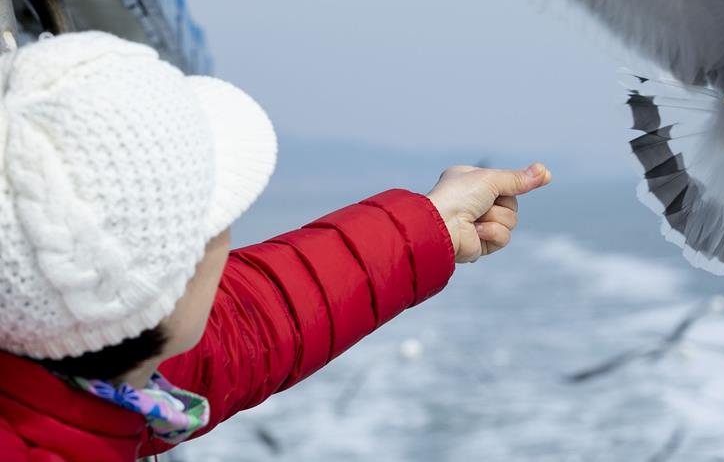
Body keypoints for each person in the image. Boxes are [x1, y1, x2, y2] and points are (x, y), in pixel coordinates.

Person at [0, 32, 551, 461]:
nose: (226, 242)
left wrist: (429, 224)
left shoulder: (77, 377)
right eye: (215, 220)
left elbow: (244, 328)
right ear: (166, 284)